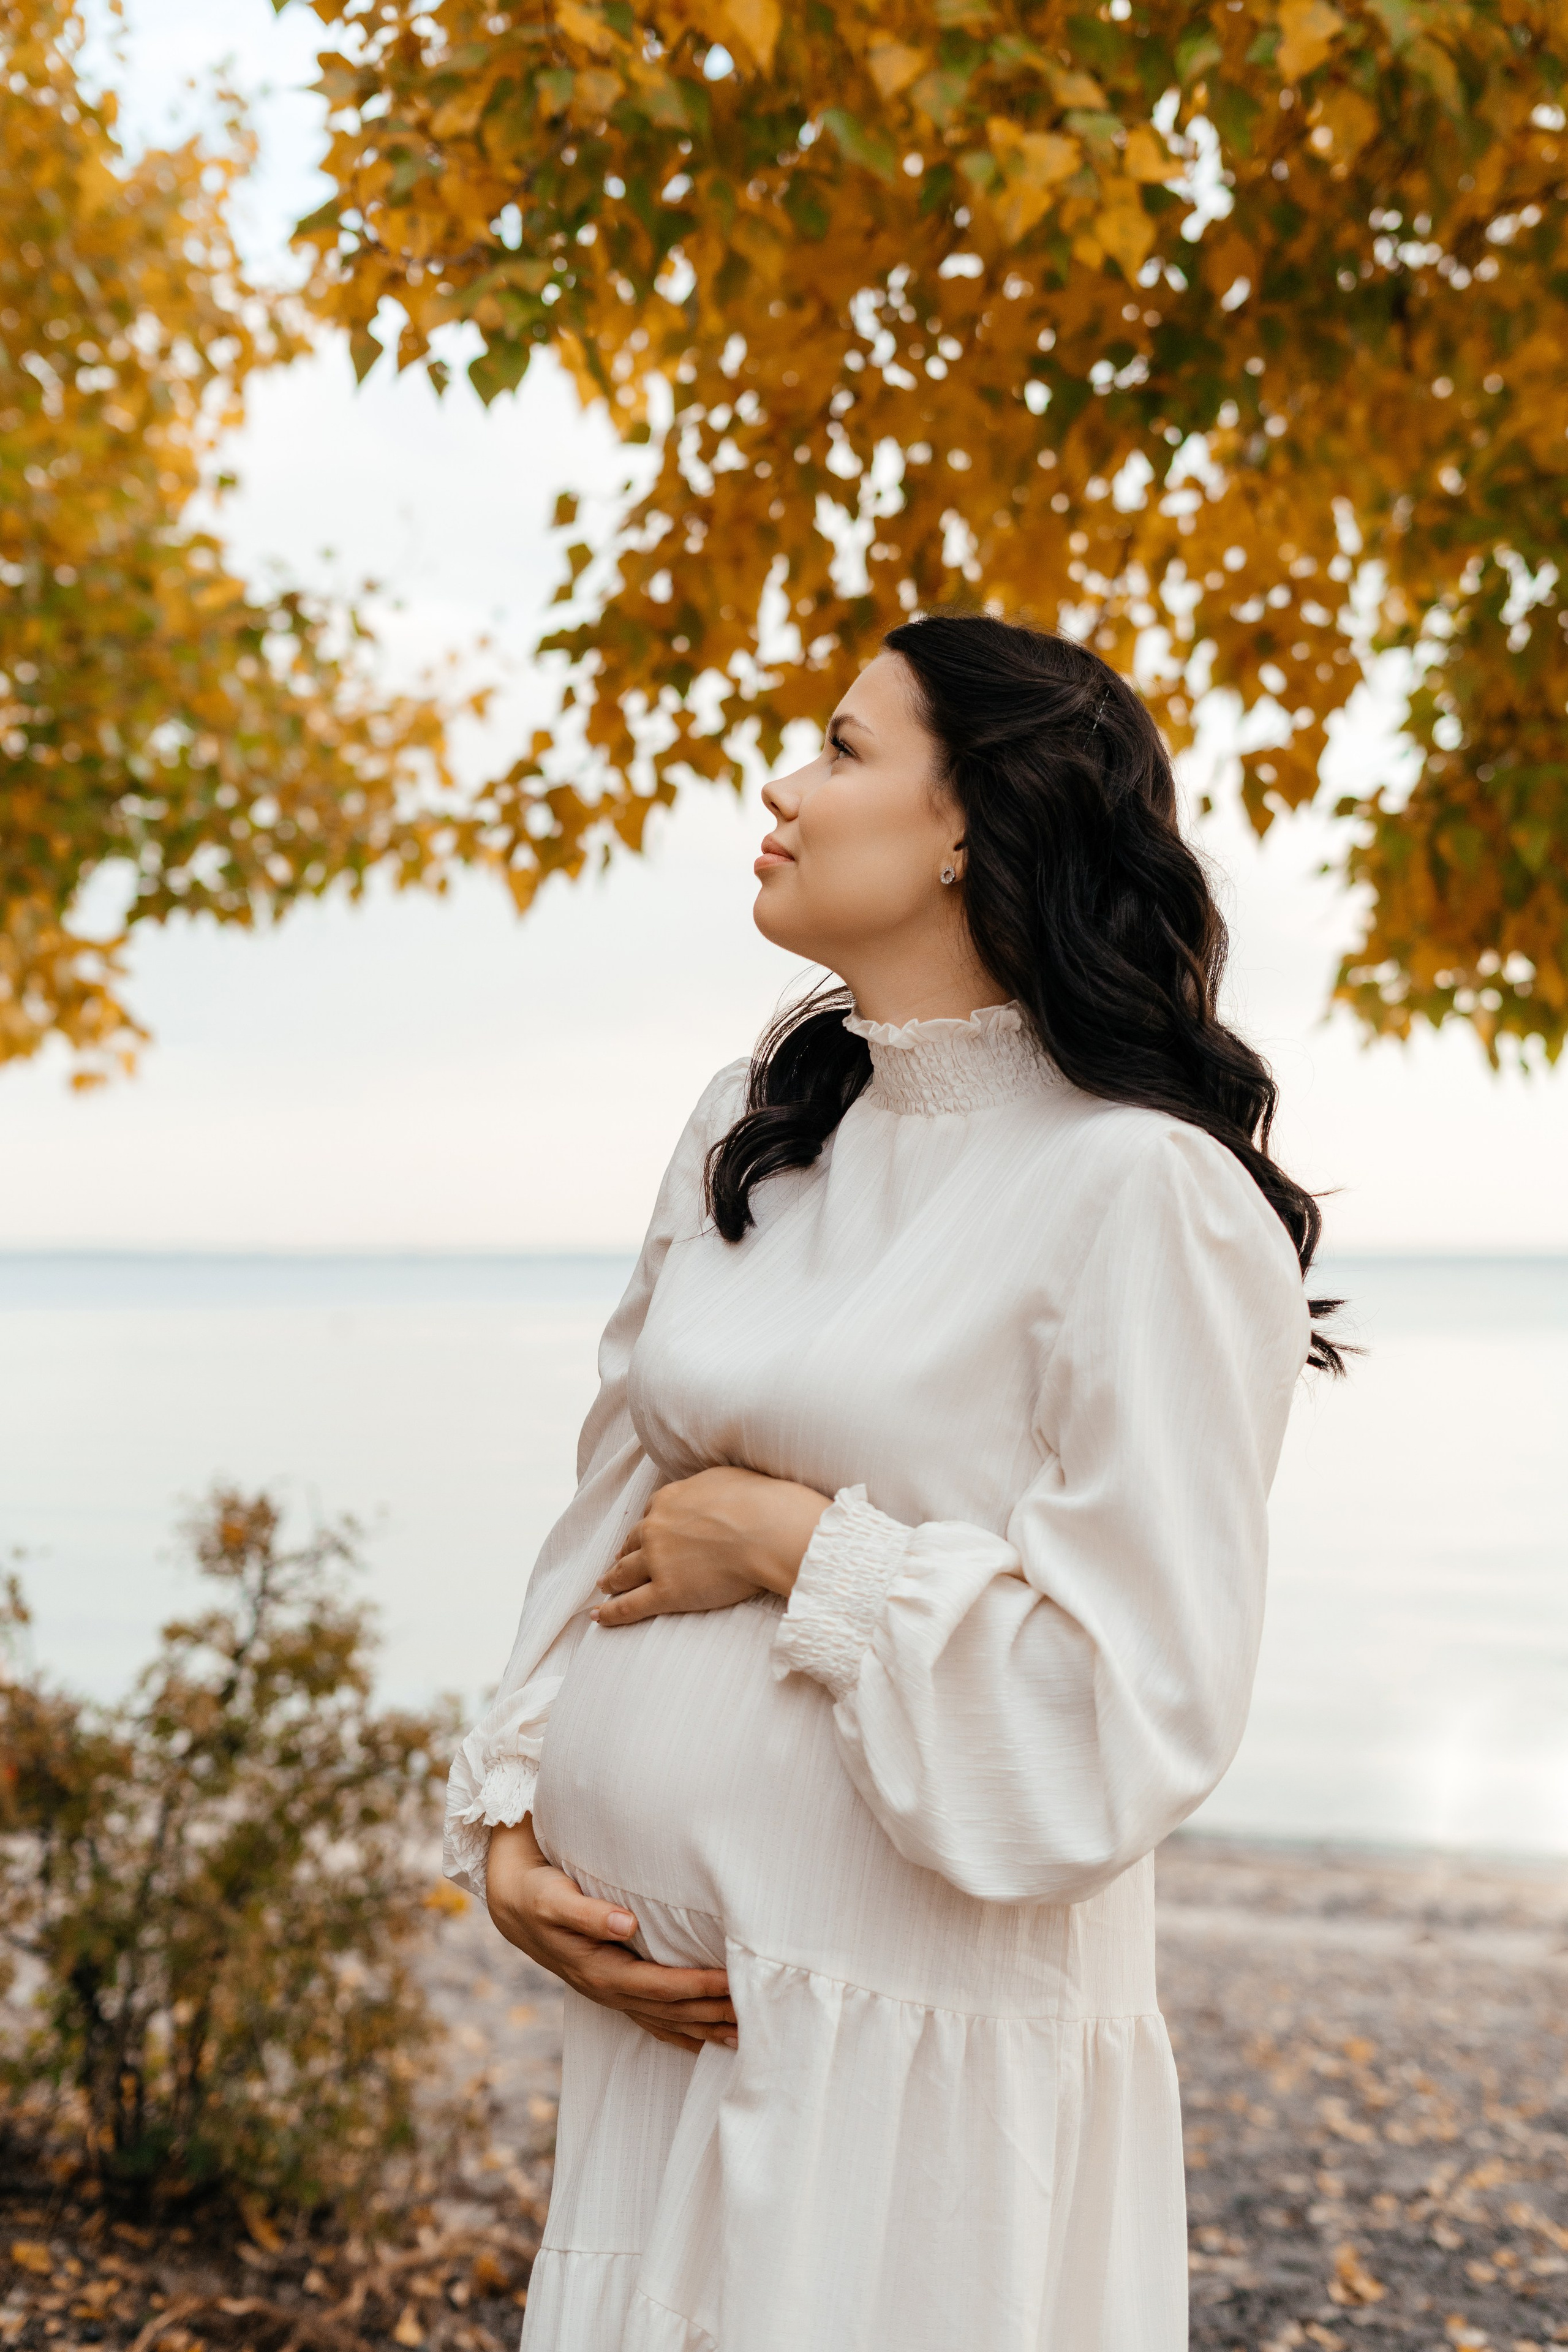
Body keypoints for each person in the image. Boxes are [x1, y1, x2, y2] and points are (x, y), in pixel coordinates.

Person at [444, 612, 1341, 2352]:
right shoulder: (751, 1129)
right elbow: (602, 1515)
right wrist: (504, 1831)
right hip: (669, 2039)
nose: (783, 784)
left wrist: (804, 1549)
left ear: (971, 822)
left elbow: (1127, 1714)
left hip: (910, 2074)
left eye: (847, 749)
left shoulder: (1142, 1194)